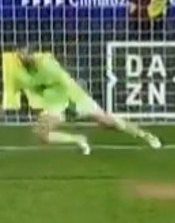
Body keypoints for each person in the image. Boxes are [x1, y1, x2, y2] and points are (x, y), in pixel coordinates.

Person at [11, 47, 161, 155]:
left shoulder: (47, 63)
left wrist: (38, 87)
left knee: (109, 122)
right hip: (56, 103)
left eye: (26, 53)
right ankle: (77, 139)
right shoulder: (21, 73)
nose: (24, 57)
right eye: (21, 55)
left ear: (32, 53)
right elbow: (33, 86)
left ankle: (145, 135)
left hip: (74, 97)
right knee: (43, 135)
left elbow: (44, 81)